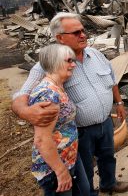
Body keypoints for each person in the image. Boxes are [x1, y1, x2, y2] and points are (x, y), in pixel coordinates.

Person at [12, 12, 128, 195]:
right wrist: (25, 112)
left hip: (106, 121)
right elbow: (22, 94)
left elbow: (112, 80)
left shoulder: (96, 54)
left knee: (108, 156)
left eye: (83, 30)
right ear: (59, 38)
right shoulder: (49, 64)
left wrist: (119, 102)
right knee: (85, 171)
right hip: (80, 131)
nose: (83, 35)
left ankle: (109, 183)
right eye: (76, 33)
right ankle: (89, 192)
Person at [28, 43, 90, 196]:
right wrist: (60, 171)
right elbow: (42, 139)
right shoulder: (48, 94)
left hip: (69, 157)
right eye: (69, 61)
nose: (73, 65)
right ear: (55, 61)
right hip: (55, 167)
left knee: (84, 190)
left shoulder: (58, 87)